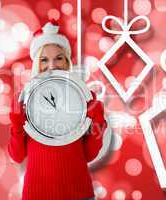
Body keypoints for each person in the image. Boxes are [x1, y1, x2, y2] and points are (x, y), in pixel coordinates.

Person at [8, 20, 107, 200]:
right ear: (37, 63)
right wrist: (16, 125)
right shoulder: (25, 100)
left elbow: (89, 154)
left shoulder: (83, 96)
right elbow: (16, 156)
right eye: (45, 59)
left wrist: (98, 123)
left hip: (79, 193)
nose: (52, 65)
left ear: (67, 61)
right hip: (37, 195)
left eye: (59, 58)